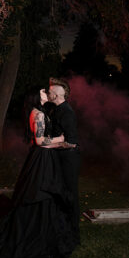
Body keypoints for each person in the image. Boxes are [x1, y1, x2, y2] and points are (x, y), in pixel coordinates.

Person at [0, 87, 77, 258]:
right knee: (38, 194)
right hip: (40, 160)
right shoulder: (38, 114)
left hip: (44, 158)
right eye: (43, 92)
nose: (46, 93)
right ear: (35, 97)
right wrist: (61, 138)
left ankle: (43, 235)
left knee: (45, 197)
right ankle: (31, 236)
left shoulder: (41, 112)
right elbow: (40, 141)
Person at [45, 78, 81, 248]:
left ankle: (73, 234)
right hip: (59, 158)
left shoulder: (67, 112)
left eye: (51, 90)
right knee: (59, 194)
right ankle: (61, 229)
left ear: (58, 94)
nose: (48, 92)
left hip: (68, 159)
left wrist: (50, 144)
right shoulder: (55, 109)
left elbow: (72, 141)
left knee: (70, 195)